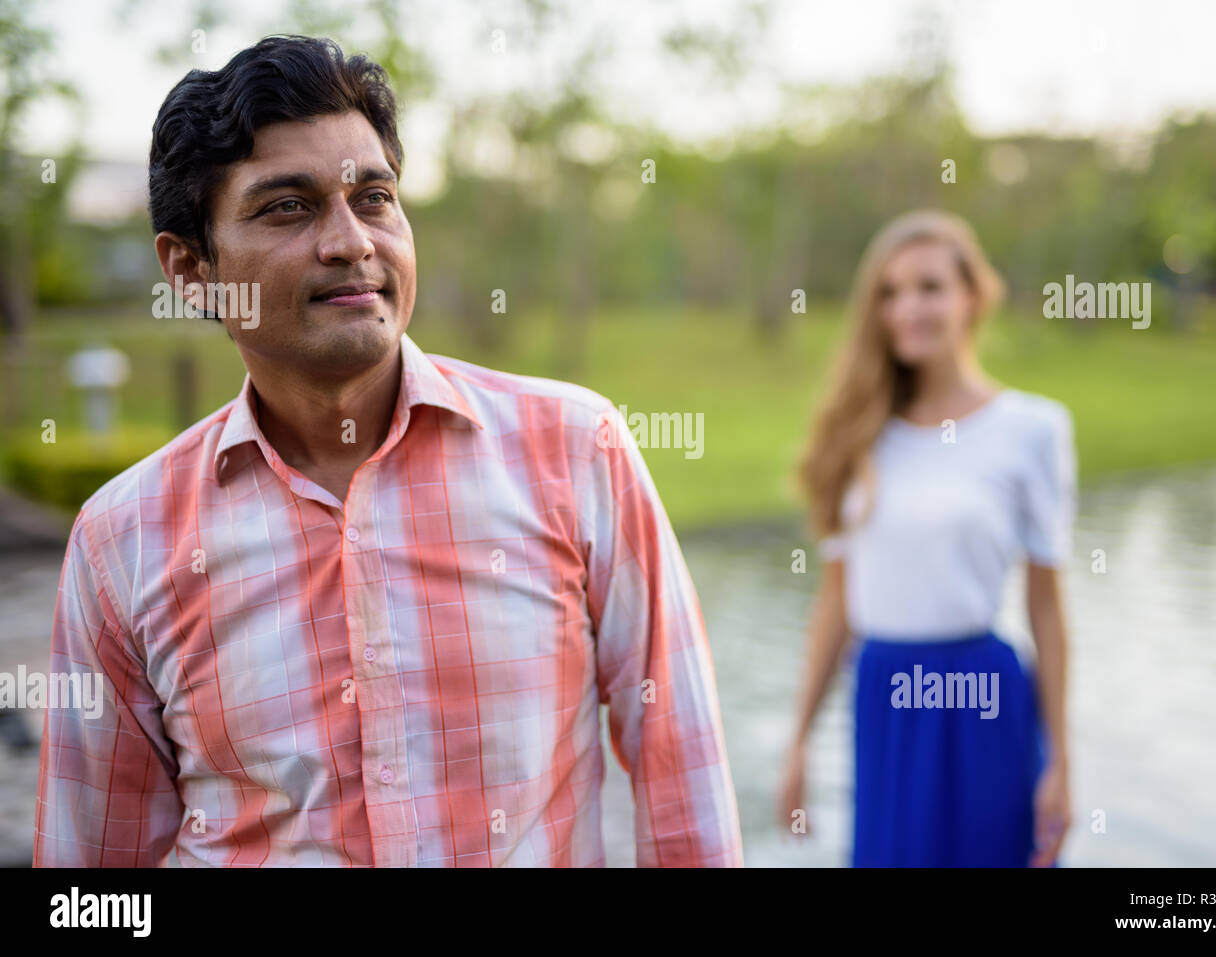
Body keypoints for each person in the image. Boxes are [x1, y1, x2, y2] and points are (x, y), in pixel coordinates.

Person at [33, 35, 742, 868]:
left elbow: (682, 775)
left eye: (373, 197)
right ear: (191, 270)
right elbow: (93, 867)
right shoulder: (122, 539)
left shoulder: (574, 451)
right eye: (288, 207)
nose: (351, 242)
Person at [778, 209, 1075, 867]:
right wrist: (798, 740)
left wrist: (1062, 760)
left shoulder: (1033, 429)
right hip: (883, 691)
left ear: (973, 296)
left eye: (929, 286)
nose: (908, 307)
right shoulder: (855, 434)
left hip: (983, 692)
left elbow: (1046, 605)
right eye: (890, 292)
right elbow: (835, 604)